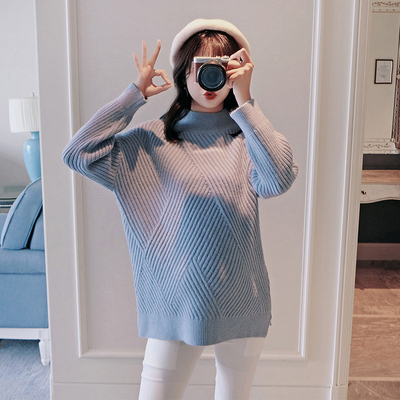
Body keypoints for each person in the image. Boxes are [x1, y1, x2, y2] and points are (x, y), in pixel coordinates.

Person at [63, 18, 298, 400]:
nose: (210, 79)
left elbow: (279, 179)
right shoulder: (149, 141)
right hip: (174, 304)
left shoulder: (249, 141)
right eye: (200, 66)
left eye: (221, 67)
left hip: (242, 301)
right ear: (183, 72)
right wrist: (133, 96)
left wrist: (246, 100)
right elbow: (78, 154)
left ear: (236, 71)